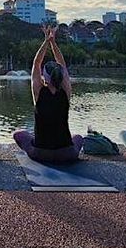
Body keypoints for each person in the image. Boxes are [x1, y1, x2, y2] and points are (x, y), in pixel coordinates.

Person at [13, 26, 83, 164]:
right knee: (79, 137)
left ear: (44, 77)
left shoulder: (39, 92)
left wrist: (46, 41)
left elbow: (36, 64)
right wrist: (53, 43)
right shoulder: (65, 92)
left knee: (18, 134)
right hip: (67, 153)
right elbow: (62, 64)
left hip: (40, 153)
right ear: (61, 76)